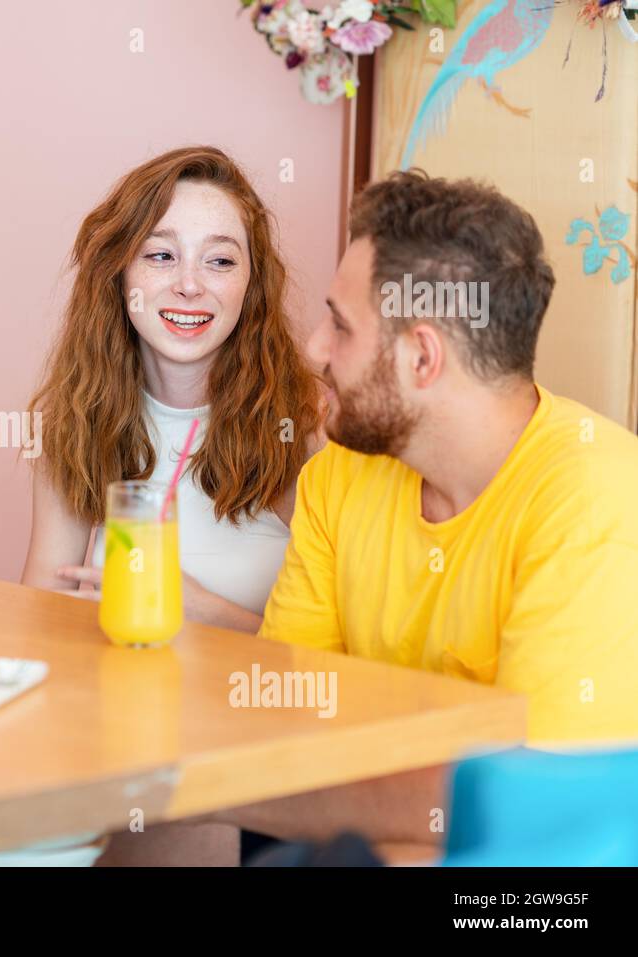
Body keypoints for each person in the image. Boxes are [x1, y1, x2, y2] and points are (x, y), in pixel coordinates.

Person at [215, 169, 638, 853]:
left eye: (341, 325)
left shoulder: (595, 503)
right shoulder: (339, 476)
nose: (314, 348)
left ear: (421, 357)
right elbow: (283, 722)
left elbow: (528, 813)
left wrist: (192, 785)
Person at [22, 145, 323, 632]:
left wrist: (199, 611)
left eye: (220, 261)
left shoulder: (305, 423)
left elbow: (343, 652)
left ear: (253, 283)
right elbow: (42, 610)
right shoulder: (73, 417)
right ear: (118, 275)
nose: (189, 285)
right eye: (161, 255)